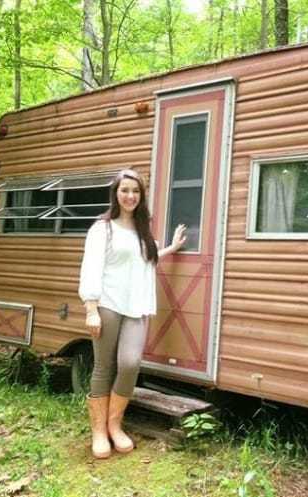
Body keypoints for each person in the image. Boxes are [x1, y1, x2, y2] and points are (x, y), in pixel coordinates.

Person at [78, 168, 186, 459]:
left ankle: (115, 426)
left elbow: (144, 260)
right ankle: (99, 431)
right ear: (116, 194)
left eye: (135, 191)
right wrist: (91, 309)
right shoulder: (103, 228)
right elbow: (91, 268)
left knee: (130, 363)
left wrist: (172, 248)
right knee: (104, 367)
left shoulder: (141, 229)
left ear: (141, 196)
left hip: (137, 307)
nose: (130, 196)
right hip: (108, 304)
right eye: (125, 190)